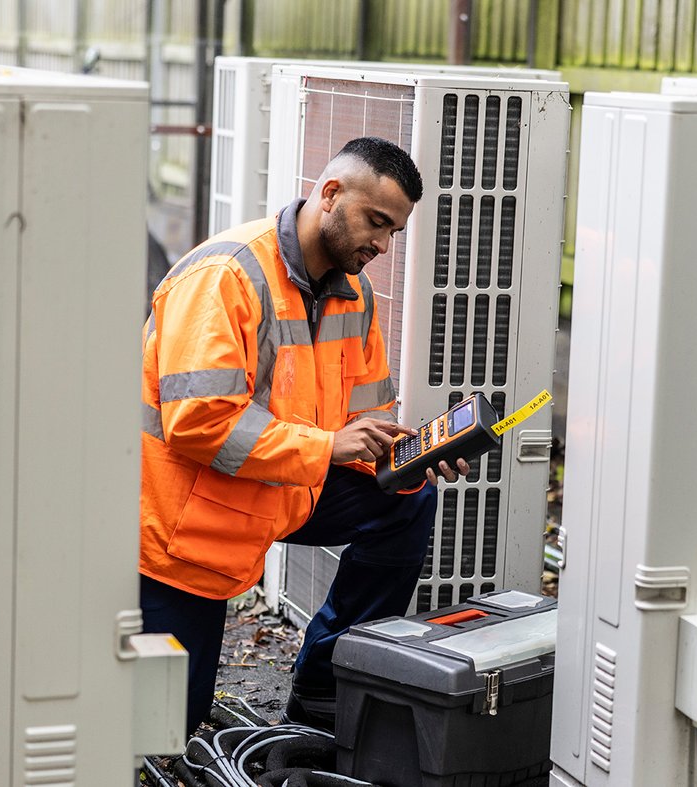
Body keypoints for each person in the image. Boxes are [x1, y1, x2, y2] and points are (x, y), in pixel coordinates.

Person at [139, 136, 467, 737]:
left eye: (393, 231)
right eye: (376, 222)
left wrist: (406, 462)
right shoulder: (227, 276)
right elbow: (195, 422)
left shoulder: (354, 294)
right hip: (182, 526)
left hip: (276, 489)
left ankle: (323, 686)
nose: (382, 245)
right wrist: (325, 448)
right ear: (331, 194)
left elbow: (366, 421)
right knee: (162, 732)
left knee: (406, 501)